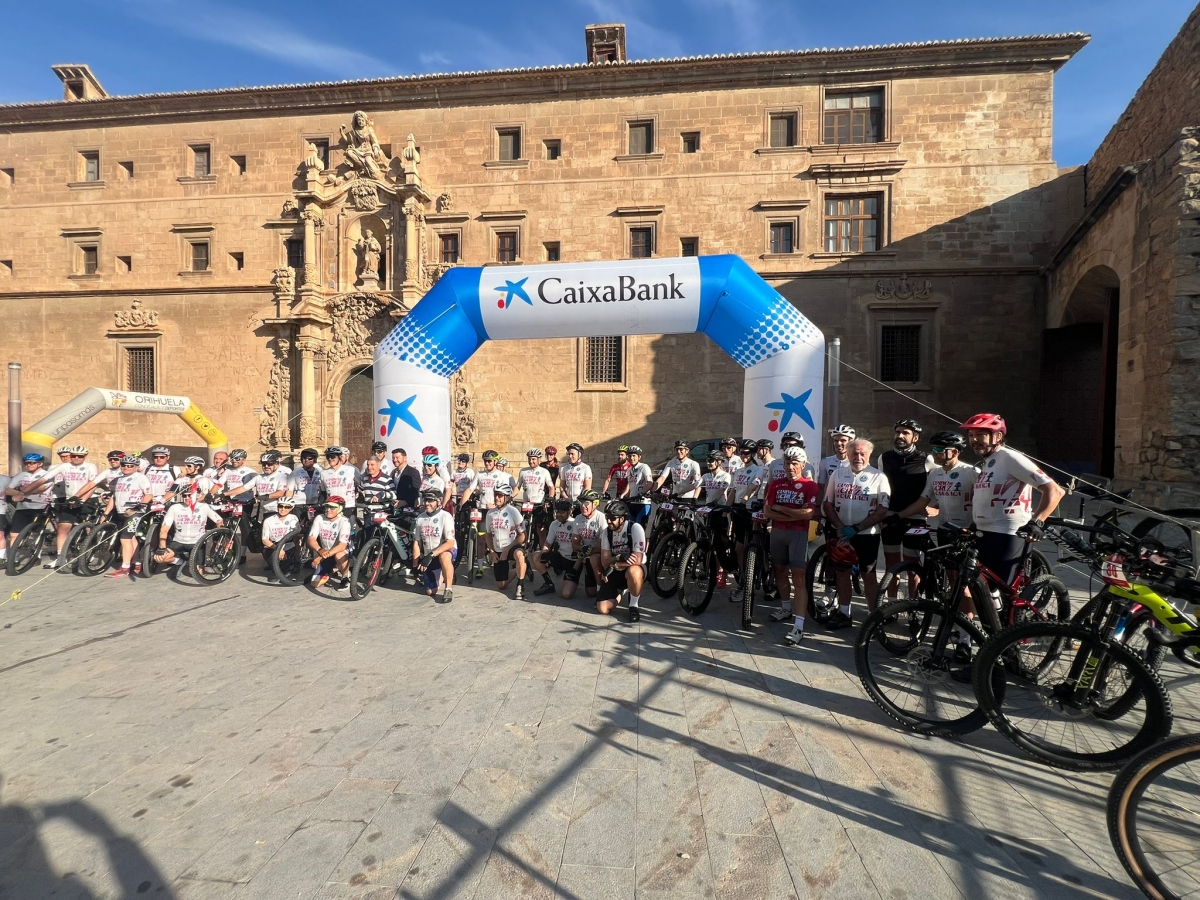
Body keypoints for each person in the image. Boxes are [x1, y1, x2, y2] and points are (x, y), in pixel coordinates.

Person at [963, 412, 1065, 585]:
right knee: (983, 590)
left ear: (998, 436)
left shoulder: (1009, 458)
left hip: (1008, 534)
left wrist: (1037, 522)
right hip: (985, 533)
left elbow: (1054, 490)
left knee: (1002, 592)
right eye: (971, 435)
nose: (974, 440)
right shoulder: (988, 462)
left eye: (980, 434)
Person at [822, 438, 891, 620]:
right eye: (854, 453)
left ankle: (872, 615)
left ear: (869, 455)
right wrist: (840, 527)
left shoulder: (879, 477)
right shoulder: (837, 474)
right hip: (842, 532)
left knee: (868, 575)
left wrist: (858, 527)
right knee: (842, 572)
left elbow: (883, 509)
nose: (858, 457)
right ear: (848, 453)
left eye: (863, 454)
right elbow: (827, 504)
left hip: (867, 534)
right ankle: (844, 613)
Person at [764, 447, 820, 644]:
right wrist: (792, 512)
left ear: (803, 465)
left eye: (795, 463)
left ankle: (799, 625)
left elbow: (808, 514)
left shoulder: (810, 485)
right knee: (779, 571)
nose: (790, 467)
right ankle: (786, 607)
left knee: (799, 577)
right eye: (787, 463)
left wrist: (780, 508)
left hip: (798, 535)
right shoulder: (776, 484)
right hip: (777, 533)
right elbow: (767, 512)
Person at [877, 419, 934, 599]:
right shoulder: (884, 457)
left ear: (915, 437)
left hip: (916, 518)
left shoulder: (927, 459)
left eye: (905, 433)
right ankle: (891, 603)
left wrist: (935, 507)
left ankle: (913, 607)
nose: (900, 436)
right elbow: (880, 487)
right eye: (898, 432)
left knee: (912, 566)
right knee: (891, 564)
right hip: (890, 517)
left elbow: (939, 484)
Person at [26, 445, 97, 568]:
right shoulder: (64, 466)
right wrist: (25, 491)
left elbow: (93, 484)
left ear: (84, 457)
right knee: (62, 528)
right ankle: (60, 558)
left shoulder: (90, 467)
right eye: (73, 455)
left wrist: (83, 499)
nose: (76, 458)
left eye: (79, 456)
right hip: (70, 500)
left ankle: (90, 551)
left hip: (88, 499)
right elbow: (44, 479)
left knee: (88, 527)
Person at [101, 455, 152, 578]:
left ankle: (125, 568)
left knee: (125, 538)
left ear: (136, 467)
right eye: (124, 465)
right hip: (120, 511)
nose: (126, 468)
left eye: (130, 466)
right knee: (131, 537)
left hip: (135, 512)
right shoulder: (119, 479)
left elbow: (149, 495)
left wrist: (137, 508)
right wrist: (105, 513)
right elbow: (114, 498)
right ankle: (136, 562)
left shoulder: (140, 477)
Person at [729, 443, 768, 603]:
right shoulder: (737, 471)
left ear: (752, 454)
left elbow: (754, 486)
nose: (743, 455)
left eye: (746, 452)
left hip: (750, 510)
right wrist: (726, 508)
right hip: (738, 510)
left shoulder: (759, 470)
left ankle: (758, 575)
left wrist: (745, 498)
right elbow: (732, 490)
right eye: (741, 452)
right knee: (739, 548)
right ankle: (744, 580)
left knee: (752, 547)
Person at [156, 485, 224, 576]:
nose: (187, 498)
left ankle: (198, 563)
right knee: (160, 558)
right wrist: (162, 548)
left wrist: (219, 537)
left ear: (197, 495)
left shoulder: (204, 507)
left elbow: (219, 521)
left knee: (197, 574)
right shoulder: (175, 508)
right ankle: (179, 561)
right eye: (184, 496)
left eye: (190, 495)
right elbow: (164, 529)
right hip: (178, 541)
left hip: (197, 543)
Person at [596, 501, 647, 622]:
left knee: (634, 571)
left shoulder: (635, 528)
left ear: (622, 519)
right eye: (607, 517)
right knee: (603, 608)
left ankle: (633, 605)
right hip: (616, 569)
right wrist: (619, 557)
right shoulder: (606, 532)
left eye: (612, 518)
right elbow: (604, 561)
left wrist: (615, 564)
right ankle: (623, 591)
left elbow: (637, 559)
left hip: (633, 568)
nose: (608, 521)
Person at [485, 482, 527, 599]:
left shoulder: (513, 512)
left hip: (512, 546)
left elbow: (523, 536)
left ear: (507, 497)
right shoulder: (490, 514)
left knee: (520, 555)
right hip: (498, 549)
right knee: (501, 585)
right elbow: (488, 535)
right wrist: (492, 552)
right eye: (495, 494)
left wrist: (507, 549)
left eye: (500, 495)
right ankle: (518, 569)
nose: (496, 497)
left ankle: (520, 585)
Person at [414, 489, 457, 602]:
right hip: (429, 554)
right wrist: (415, 564)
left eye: (430, 501)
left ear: (439, 502)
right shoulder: (420, 518)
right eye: (425, 500)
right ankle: (444, 573)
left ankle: (448, 589)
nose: (426, 503)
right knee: (430, 592)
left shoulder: (446, 516)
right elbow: (417, 542)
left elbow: (450, 542)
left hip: (446, 550)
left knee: (444, 557)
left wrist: (431, 555)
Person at [5, 453, 52, 555]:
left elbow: (41, 488)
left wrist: (20, 490)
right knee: (14, 534)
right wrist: (21, 493)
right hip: (22, 508)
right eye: (26, 463)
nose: (28, 465)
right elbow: (8, 490)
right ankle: (14, 557)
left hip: (40, 507)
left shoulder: (46, 474)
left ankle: (36, 555)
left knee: (37, 533)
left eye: (32, 463)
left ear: (40, 464)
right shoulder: (21, 475)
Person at [565, 489, 606, 600]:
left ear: (595, 504)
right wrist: (583, 548)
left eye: (586, 503)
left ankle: (601, 589)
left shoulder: (601, 518)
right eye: (581, 503)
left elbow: (603, 544)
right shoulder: (578, 519)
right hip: (584, 555)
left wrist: (589, 550)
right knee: (588, 593)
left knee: (593, 558)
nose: (583, 506)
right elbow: (575, 544)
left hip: (598, 555)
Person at [532, 499, 576, 596]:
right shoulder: (554, 524)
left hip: (573, 560)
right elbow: (548, 543)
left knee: (566, 594)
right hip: (560, 555)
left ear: (570, 511)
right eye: (557, 511)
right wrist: (544, 554)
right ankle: (548, 583)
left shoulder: (576, 524)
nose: (558, 514)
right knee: (536, 555)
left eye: (562, 512)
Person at [308, 496, 352, 589]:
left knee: (339, 555)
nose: (328, 510)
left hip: (341, 551)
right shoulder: (319, 518)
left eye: (332, 508)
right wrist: (319, 550)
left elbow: (342, 546)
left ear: (340, 509)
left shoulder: (344, 521)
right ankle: (333, 569)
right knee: (315, 584)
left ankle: (345, 576)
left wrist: (321, 557)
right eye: (326, 507)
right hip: (326, 552)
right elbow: (311, 539)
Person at [259, 495, 299, 583]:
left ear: (291, 508)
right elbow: (264, 540)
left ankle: (287, 568)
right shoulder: (268, 520)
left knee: (286, 561)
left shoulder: (293, 518)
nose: (283, 509)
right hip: (273, 545)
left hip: (288, 545)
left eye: (287, 507)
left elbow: (295, 533)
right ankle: (276, 569)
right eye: (280, 506)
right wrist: (278, 550)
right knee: (269, 553)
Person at [621, 445, 654, 527]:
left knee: (639, 527)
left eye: (634, 456)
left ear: (639, 457)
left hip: (643, 503)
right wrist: (623, 494)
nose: (631, 458)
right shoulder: (629, 470)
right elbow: (629, 483)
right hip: (632, 502)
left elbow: (650, 482)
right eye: (629, 456)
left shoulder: (644, 467)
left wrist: (642, 493)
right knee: (630, 528)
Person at [319, 447, 358, 513]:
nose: (330, 459)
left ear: (339, 457)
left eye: (332, 456)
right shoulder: (324, 473)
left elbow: (360, 484)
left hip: (348, 506)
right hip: (331, 507)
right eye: (327, 456)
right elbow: (323, 492)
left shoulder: (351, 470)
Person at [254, 451, 291, 522]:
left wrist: (267, 496)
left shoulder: (285, 471)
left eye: (269, 463)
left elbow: (286, 489)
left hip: (277, 504)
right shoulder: (267, 470)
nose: (266, 466)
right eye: (264, 464)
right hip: (265, 504)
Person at [818, 425, 855, 495]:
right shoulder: (825, 462)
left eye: (843, 440)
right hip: (831, 503)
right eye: (836, 440)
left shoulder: (856, 463)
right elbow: (821, 488)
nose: (838, 443)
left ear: (850, 442)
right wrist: (818, 505)